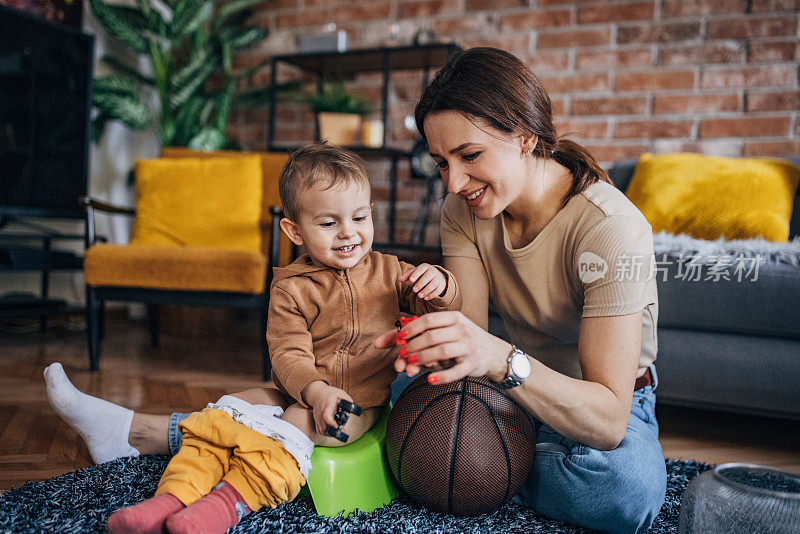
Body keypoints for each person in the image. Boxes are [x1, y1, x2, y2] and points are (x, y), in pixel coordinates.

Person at [45, 142, 461, 534]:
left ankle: (223, 508)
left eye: (359, 217)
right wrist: (313, 391)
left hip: (358, 402)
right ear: (295, 232)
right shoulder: (291, 288)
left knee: (297, 422)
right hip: (298, 390)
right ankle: (168, 498)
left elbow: (443, 310)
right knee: (226, 411)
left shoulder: (390, 272)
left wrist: (439, 284)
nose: (349, 233)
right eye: (329, 223)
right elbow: (288, 355)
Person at [370, 47, 666, 533]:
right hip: (505, 392)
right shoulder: (463, 210)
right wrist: (427, 336)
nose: (455, 182)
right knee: (380, 388)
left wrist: (500, 363)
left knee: (622, 489)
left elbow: (609, 419)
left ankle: (482, 468)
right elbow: (472, 344)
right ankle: (501, 462)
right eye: (441, 163)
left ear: (526, 137)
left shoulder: (611, 229)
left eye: (469, 156)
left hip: (598, 406)